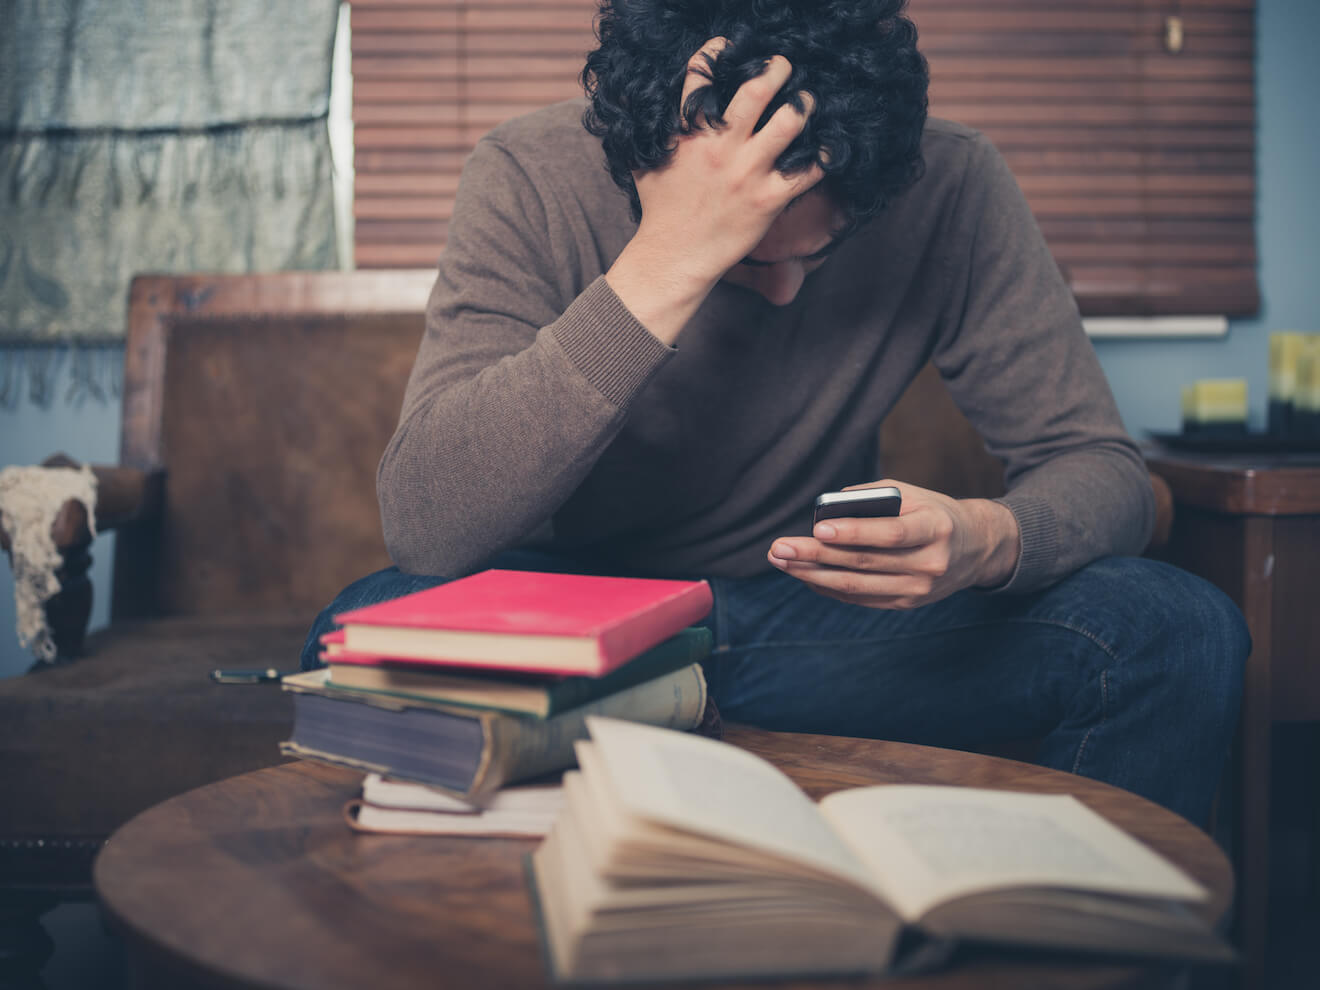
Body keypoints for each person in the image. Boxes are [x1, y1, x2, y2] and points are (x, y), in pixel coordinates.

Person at [305, 0, 1247, 828]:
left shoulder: (953, 185)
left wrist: (986, 538)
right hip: (576, 628)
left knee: (1175, 629)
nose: (789, 291)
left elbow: (1100, 466)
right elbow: (425, 525)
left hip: (814, 624)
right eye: (753, 259)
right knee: (363, 629)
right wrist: (667, 264)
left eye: (822, 252)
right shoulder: (528, 175)